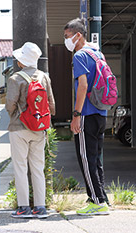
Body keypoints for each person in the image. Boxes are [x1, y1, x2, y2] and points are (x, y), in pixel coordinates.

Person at [64, 18, 109, 215]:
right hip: (101, 113)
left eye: (67, 36)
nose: (66, 40)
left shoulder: (80, 56)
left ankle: (97, 201)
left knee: (86, 159)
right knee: (96, 158)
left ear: (77, 35)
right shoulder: (98, 54)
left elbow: (82, 86)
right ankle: (101, 197)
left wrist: (76, 114)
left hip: (87, 114)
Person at [5, 42, 55, 219]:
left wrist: (17, 114)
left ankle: (23, 207)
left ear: (21, 61)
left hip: (19, 127)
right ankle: (40, 207)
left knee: (20, 167)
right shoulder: (44, 77)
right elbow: (52, 106)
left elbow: (10, 104)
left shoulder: (15, 78)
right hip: (39, 128)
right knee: (37, 167)